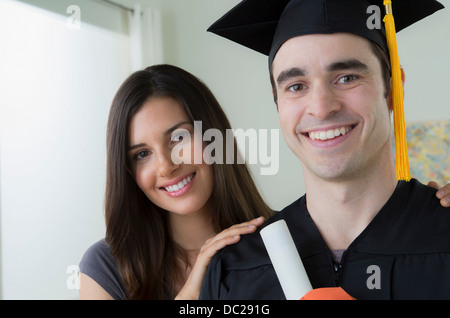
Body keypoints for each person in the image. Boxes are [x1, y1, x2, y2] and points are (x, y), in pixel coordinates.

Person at [200, 0, 450, 299]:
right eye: (296, 86)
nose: (321, 107)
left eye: (347, 78)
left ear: (393, 90)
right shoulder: (235, 269)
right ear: (277, 102)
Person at [79, 64, 272, 300]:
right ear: (128, 172)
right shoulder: (105, 267)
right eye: (142, 154)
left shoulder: (287, 240)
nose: (166, 166)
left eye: (178, 138)